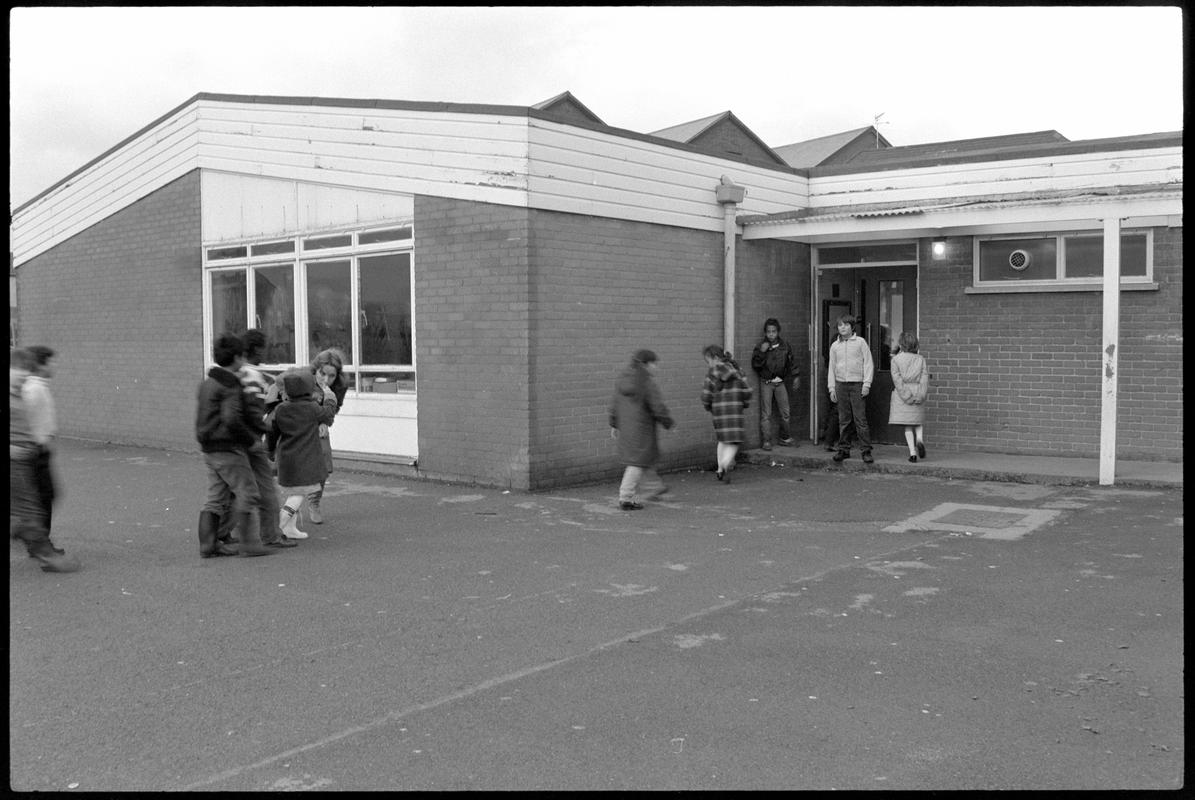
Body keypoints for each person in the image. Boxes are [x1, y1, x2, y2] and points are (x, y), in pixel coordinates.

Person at [195, 334, 276, 558]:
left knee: (215, 497)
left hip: (209, 448)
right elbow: (232, 418)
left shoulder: (208, 383)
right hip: (228, 449)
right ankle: (250, 544)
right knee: (248, 492)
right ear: (238, 357)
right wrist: (251, 440)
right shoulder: (230, 385)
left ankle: (208, 545)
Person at [215, 329, 295, 550]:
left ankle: (221, 532)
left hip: (231, 442)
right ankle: (270, 534)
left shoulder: (238, 374)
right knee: (265, 487)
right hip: (250, 439)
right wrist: (262, 429)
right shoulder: (254, 376)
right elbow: (252, 408)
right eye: (263, 348)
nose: (265, 352)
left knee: (234, 489)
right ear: (255, 350)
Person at [10, 348, 79, 573]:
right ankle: (45, 552)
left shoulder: (20, 392)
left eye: (25, 371)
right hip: (20, 458)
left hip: (25, 456)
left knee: (32, 506)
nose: (22, 375)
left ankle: (41, 548)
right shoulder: (24, 392)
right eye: (17, 370)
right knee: (31, 508)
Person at [269, 369, 337, 538]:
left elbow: (272, 433)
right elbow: (328, 416)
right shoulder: (311, 407)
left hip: (286, 458)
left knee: (294, 491)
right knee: (299, 493)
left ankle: (289, 529)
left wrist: (270, 451)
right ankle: (278, 525)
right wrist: (329, 397)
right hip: (305, 459)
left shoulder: (281, 409)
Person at [608, 349, 674, 510]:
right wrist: (668, 423)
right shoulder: (646, 383)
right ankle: (626, 497)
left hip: (628, 428)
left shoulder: (622, 380)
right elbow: (658, 407)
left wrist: (614, 424)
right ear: (645, 364)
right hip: (642, 429)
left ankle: (654, 487)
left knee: (643, 460)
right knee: (636, 463)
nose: (656, 367)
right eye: (654, 364)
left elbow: (614, 405)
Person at [306, 348, 348, 524]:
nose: (326, 380)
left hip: (320, 425)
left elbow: (333, 409)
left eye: (332, 376)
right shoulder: (304, 381)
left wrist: (325, 423)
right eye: (323, 374)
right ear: (316, 369)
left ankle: (314, 502)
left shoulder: (339, 386)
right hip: (298, 426)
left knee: (323, 465)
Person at [701, 345, 753, 483]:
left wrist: (708, 406)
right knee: (734, 441)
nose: (708, 364)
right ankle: (725, 463)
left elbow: (706, 394)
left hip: (718, 411)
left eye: (708, 361)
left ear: (715, 358)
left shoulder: (712, 373)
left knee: (723, 440)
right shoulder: (738, 370)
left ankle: (720, 469)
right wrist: (745, 403)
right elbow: (747, 390)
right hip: (735, 411)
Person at [827, 315, 875, 464]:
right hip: (841, 384)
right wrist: (832, 387)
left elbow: (868, 363)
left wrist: (866, 383)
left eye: (846, 325)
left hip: (857, 384)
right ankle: (844, 449)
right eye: (840, 325)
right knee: (844, 419)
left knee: (860, 419)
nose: (843, 328)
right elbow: (832, 367)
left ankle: (865, 450)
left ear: (852, 327)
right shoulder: (835, 346)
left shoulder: (860, 343)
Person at [23, 345, 58, 530]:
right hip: (34, 451)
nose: (55, 366)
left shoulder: (38, 386)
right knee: (44, 497)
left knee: (42, 496)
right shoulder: (33, 389)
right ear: (41, 364)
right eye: (52, 362)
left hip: (38, 450)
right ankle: (40, 544)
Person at [751, 318, 798, 450]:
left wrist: (796, 376)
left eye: (774, 331)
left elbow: (791, 362)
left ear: (778, 332)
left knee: (785, 411)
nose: (771, 334)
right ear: (765, 333)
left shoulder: (785, 346)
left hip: (780, 382)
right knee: (767, 414)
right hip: (766, 382)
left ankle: (785, 437)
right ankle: (766, 441)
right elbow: (755, 364)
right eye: (768, 332)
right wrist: (762, 352)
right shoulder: (761, 346)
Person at [889, 331, 930, 462]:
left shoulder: (896, 360)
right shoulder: (921, 359)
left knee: (907, 426)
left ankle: (912, 453)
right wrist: (921, 395)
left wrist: (907, 396)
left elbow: (897, 380)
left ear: (901, 345)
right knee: (917, 421)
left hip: (904, 394)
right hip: (917, 390)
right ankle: (920, 439)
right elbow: (924, 379)